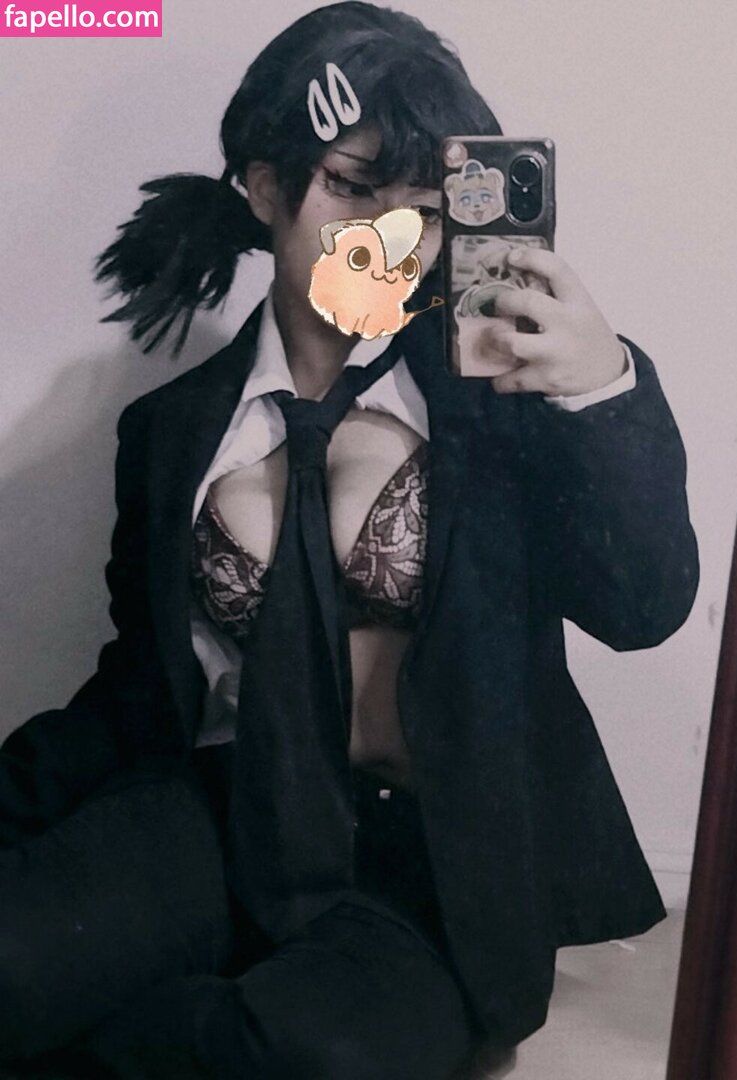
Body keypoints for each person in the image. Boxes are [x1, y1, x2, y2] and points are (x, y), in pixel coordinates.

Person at [0, 3, 700, 1077]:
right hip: (222, 807)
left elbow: (643, 606)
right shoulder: (172, 430)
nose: (389, 233)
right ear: (266, 186)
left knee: (293, 1056)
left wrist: (603, 390)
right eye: (351, 185)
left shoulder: (508, 396)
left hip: (429, 856)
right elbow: (144, 685)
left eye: (423, 201)